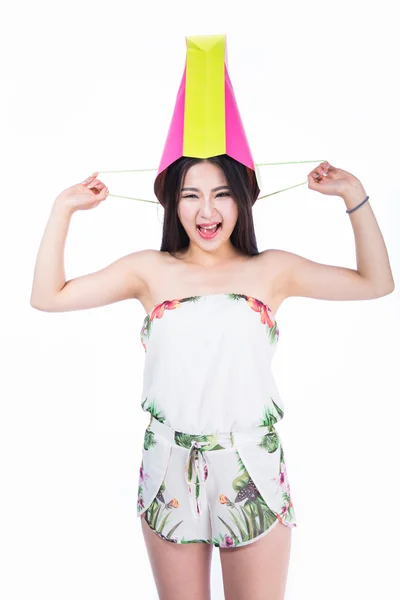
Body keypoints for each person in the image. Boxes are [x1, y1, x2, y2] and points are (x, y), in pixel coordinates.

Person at [30, 34, 395, 600]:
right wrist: (63, 210)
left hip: (251, 465)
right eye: (191, 195)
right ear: (172, 202)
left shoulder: (273, 270)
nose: (206, 211)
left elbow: (376, 284)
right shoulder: (147, 270)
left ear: (243, 200)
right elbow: (47, 296)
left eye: (222, 194)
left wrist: (355, 196)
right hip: (169, 465)